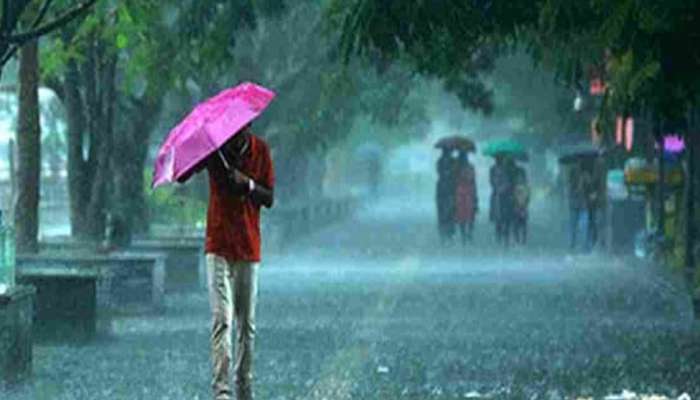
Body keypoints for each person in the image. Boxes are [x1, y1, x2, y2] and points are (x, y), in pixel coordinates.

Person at [184, 124, 274, 400]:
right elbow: (185, 174)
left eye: (240, 131)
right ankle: (221, 390)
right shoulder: (215, 151)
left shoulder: (261, 151)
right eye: (230, 132)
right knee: (222, 319)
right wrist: (201, 154)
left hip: (248, 247)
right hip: (218, 244)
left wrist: (247, 184)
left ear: (248, 128)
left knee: (246, 323)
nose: (235, 136)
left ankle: (244, 385)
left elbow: (269, 198)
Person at [454, 150, 478, 245]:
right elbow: (473, 180)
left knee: (464, 215)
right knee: (467, 214)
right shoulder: (467, 167)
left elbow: (472, 180)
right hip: (466, 192)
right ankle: (467, 234)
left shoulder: (459, 167)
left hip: (463, 192)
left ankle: (465, 234)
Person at [490, 155, 514, 246]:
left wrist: (504, 187)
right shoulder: (493, 169)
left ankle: (505, 236)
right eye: (498, 159)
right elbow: (492, 181)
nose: (499, 160)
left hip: (505, 195)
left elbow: (510, 181)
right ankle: (499, 236)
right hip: (498, 195)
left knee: (506, 216)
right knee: (498, 217)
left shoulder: (507, 169)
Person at [436, 148, 457, 245]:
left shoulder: (452, 161)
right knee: (444, 211)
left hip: (449, 188)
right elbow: (440, 172)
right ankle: (445, 233)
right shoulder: (441, 161)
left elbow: (456, 173)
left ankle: (448, 233)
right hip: (445, 188)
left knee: (450, 211)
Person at [512, 163, 530, 245]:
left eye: (521, 177)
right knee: (516, 224)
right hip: (517, 207)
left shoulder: (526, 187)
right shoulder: (515, 187)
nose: (520, 178)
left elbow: (528, 198)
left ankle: (523, 239)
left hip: (523, 207)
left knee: (523, 224)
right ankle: (517, 239)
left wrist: (524, 204)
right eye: (518, 177)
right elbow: (514, 197)